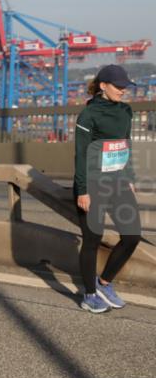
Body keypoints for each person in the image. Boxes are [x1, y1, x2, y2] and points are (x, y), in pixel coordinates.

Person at [74, 64, 141, 313]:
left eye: (125, 87)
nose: (123, 91)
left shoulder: (126, 111)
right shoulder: (88, 116)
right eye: (118, 86)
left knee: (132, 235)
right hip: (92, 184)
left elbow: (126, 145)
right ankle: (89, 295)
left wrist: (130, 177)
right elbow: (80, 155)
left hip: (118, 182)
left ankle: (104, 283)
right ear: (103, 86)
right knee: (92, 239)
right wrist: (82, 190)